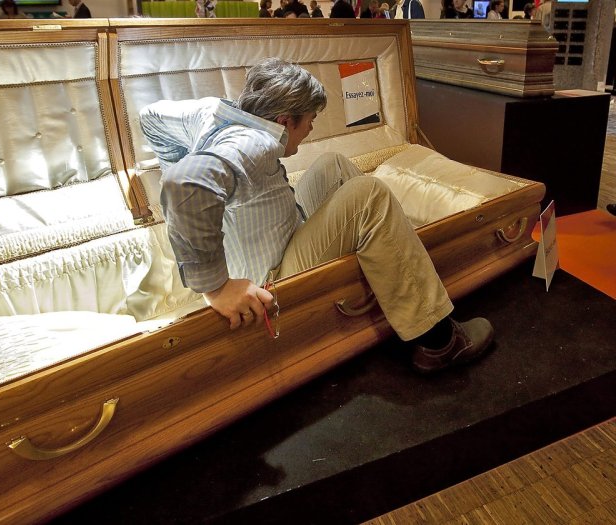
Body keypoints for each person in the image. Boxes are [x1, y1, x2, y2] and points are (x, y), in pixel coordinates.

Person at [139, 58, 495, 374]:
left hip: (280, 238)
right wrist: (216, 287)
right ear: (284, 121)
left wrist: (176, 157)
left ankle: (400, 266)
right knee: (368, 195)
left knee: (332, 165)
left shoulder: (209, 112)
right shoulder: (254, 144)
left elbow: (150, 118)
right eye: (310, 120)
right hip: (270, 280)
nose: (311, 130)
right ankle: (439, 341)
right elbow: (185, 183)